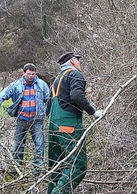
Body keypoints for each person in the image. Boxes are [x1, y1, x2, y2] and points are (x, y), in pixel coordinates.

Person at [46, 51, 104, 194]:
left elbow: (48, 107)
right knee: (77, 165)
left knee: (56, 169)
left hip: (53, 127)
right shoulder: (75, 74)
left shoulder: (56, 80)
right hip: (68, 125)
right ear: (72, 62)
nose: (79, 63)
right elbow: (76, 95)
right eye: (78, 61)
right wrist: (92, 111)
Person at [0, 63, 50, 174]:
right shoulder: (16, 85)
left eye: (33, 74)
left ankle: (37, 170)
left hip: (37, 120)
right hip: (22, 119)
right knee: (18, 145)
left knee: (39, 145)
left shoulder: (42, 85)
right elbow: (2, 96)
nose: (31, 76)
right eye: (29, 74)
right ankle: (16, 168)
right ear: (24, 73)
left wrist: (50, 114)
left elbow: (49, 100)